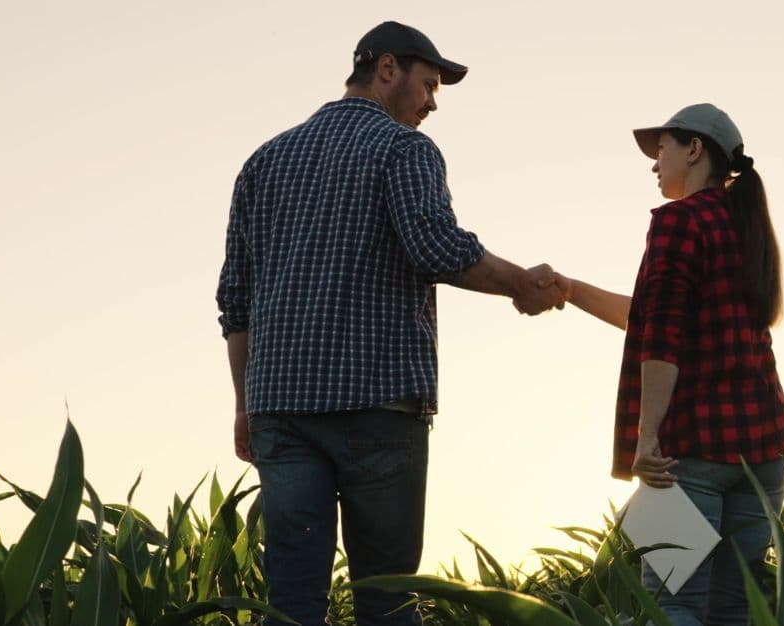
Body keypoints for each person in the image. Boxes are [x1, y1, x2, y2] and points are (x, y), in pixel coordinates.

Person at [215, 21, 577, 626]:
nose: (432, 104)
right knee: (387, 602)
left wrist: (244, 403)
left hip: (280, 408)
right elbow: (436, 248)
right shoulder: (403, 149)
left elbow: (236, 299)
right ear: (388, 69)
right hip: (376, 406)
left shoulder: (263, 161)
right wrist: (521, 283)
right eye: (429, 85)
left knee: (292, 602)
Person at [556, 103, 784, 626]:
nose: (654, 164)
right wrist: (572, 290)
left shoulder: (676, 221)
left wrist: (648, 437)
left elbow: (664, 337)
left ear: (694, 150)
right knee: (734, 609)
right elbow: (652, 317)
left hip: (689, 448)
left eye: (662, 149)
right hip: (766, 450)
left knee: (676, 607)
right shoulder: (746, 228)